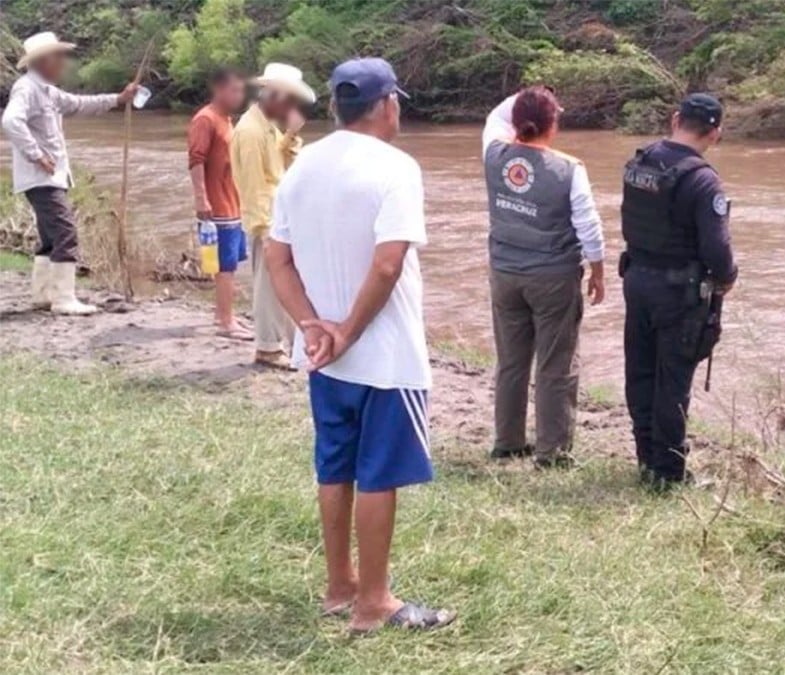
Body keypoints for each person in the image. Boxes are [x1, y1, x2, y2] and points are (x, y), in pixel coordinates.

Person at [266, 57, 454, 633]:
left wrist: (312, 325)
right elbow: (388, 262)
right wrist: (348, 329)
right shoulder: (397, 167)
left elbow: (277, 257)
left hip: (324, 357)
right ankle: (373, 602)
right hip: (385, 356)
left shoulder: (302, 165)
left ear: (334, 107)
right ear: (388, 105)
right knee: (379, 474)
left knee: (335, 467)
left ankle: (339, 585)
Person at [481, 86, 606, 469]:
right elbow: (588, 225)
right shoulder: (568, 169)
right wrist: (598, 269)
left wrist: (526, 96)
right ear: (553, 124)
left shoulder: (493, 154)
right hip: (553, 277)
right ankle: (552, 453)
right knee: (556, 364)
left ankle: (508, 443)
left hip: (505, 273)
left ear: (516, 122)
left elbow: (495, 116)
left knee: (511, 361)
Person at [619, 93, 738, 489]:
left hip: (636, 281)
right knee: (672, 383)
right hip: (679, 293)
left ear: (675, 119)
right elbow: (718, 253)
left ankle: (645, 460)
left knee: (640, 373)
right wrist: (728, 277)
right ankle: (668, 474)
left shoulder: (640, 162)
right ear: (716, 133)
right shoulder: (703, 181)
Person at [1, 31, 138, 315]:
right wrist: (37, 154)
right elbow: (11, 121)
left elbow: (79, 104)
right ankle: (63, 299)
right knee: (65, 232)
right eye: (59, 57)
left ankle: (43, 294)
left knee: (50, 236)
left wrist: (119, 99)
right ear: (43, 61)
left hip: (47, 177)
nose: (63, 62)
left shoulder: (47, 91)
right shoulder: (27, 88)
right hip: (41, 177)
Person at [232, 62, 315, 369]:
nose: (292, 106)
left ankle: (287, 344)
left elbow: (280, 168)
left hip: (276, 218)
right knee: (268, 286)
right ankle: (268, 347)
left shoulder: (265, 126)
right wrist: (265, 231)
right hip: (266, 221)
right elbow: (254, 188)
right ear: (276, 95)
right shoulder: (251, 132)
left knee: (282, 282)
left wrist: (291, 135)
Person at [188, 69, 250, 340]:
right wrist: (201, 198)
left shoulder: (226, 119)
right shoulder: (205, 119)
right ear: (220, 90)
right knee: (224, 265)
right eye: (235, 90)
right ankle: (226, 321)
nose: (240, 96)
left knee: (230, 262)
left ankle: (223, 314)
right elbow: (196, 159)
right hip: (217, 205)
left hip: (232, 202)